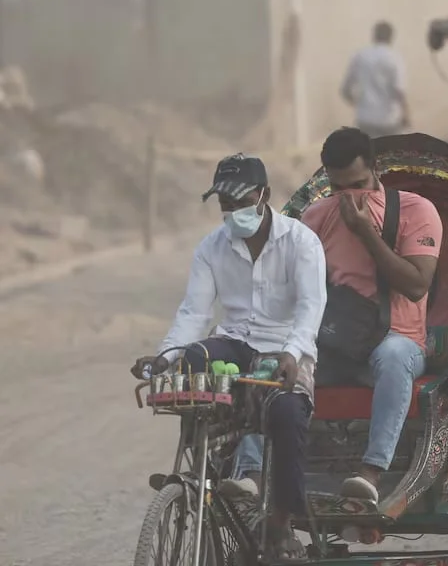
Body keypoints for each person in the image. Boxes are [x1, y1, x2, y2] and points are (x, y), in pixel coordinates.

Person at [129, 154, 327, 561]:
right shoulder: (211, 247)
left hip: (286, 347)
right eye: (225, 204)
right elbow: (194, 313)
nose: (233, 212)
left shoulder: (301, 242)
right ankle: (205, 476)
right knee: (195, 358)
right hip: (235, 341)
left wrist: (292, 352)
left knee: (289, 415)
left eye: (241, 202)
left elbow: (311, 308)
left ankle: (281, 522)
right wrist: (165, 358)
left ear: (265, 196)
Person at [233, 127, 443, 506]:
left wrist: (366, 233)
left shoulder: (416, 211)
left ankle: (371, 473)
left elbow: (416, 285)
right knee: (267, 361)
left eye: (360, 184)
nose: (351, 198)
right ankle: (250, 471)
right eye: (340, 188)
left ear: (377, 170)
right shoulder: (316, 217)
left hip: (396, 338)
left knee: (394, 357)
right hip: (333, 342)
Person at [340, 21, 410, 138]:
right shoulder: (395, 58)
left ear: (374, 35)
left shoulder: (360, 56)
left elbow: (345, 91)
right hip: (389, 120)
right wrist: (406, 114)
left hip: (365, 119)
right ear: (391, 37)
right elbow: (399, 90)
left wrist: (359, 105)